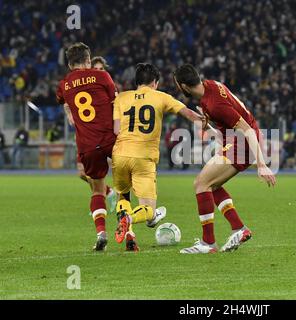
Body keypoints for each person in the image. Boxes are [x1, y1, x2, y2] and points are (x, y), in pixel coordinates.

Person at [173, 64, 276, 254]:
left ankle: (208, 243)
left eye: (178, 86)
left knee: (201, 184)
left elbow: (246, 129)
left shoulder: (214, 104)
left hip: (243, 142)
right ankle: (239, 229)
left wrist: (262, 164)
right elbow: (226, 128)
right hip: (237, 141)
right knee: (212, 184)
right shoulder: (210, 87)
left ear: (184, 86)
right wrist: (209, 129)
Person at [113, 63, 204, 251]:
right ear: (155, 82)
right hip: (143, 158)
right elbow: (189, 114)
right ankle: (128, 220)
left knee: (123, 195)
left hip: (120, 154)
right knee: (149, 210)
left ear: (136, 81)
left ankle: (130, 235)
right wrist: (208, 123)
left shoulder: (121, 98)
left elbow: (116, 129)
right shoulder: (161, 97)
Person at [56, 43, 117, 251]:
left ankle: (101, 233)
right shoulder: (102, 77)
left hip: (88, 144)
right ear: (89, 60)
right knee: (125, 184)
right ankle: (128, 231)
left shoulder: (64, 84)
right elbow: (115, 102)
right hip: (110, 138)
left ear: (69, 63)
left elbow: (62, 100)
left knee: (97, 189)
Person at [62, 55, 117, 215]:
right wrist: (68, 113)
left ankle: (107, 201)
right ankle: (105, 194)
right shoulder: (83, 87)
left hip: (107, 136)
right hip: (87, 137)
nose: (99, 71)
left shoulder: (108, 86)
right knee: (82, 173)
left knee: (118, 172)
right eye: (96, 69)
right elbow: (67, 103)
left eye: (101, 69)